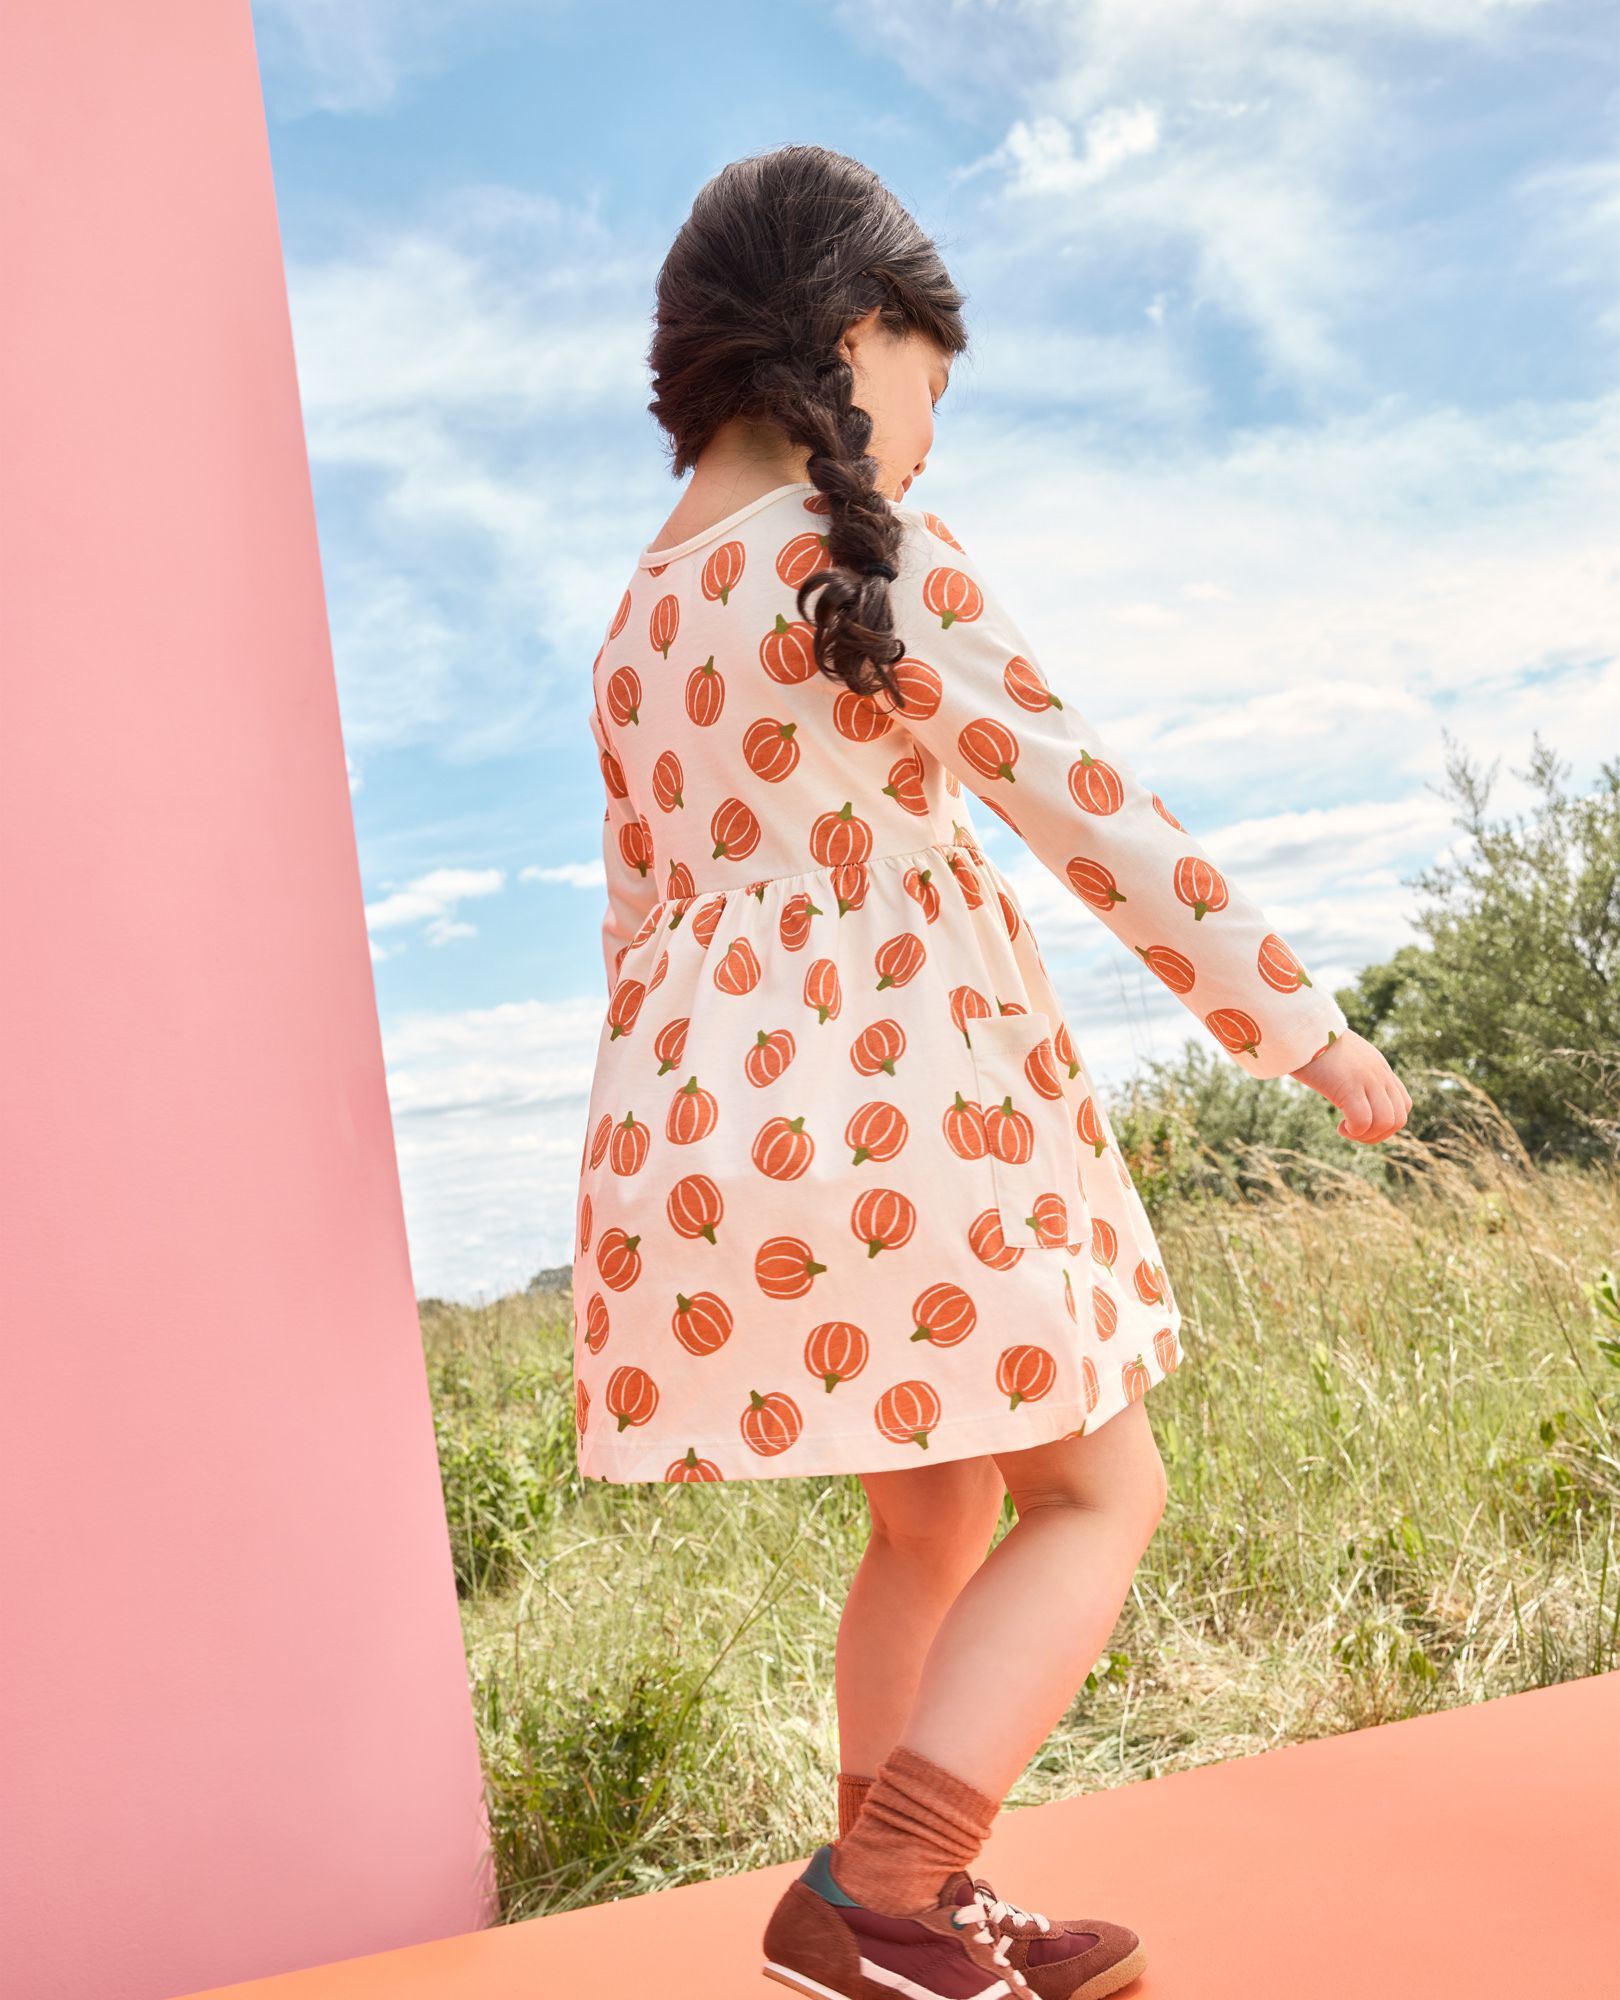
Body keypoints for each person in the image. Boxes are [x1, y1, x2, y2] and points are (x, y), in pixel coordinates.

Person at [571, 145, 1410, 2000]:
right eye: (933, 383)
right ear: (858, 334)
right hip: (909, 1111)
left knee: (934, 1512)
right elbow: (1091, 810)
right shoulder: (866, 556)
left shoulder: (633, 627)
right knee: (1101, 1494)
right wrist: (1303, 1026)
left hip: (712, 1139)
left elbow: (638, 927)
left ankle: (896, 1922)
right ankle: (890, 1881)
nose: (932, 435)